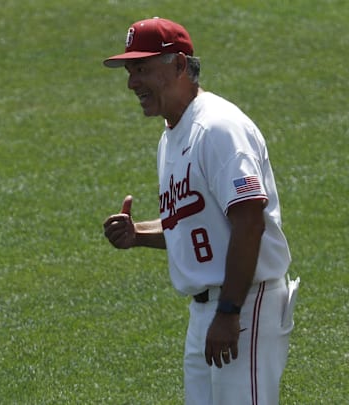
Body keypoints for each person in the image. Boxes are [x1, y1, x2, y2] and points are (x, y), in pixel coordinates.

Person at [101, 17, 298, 404]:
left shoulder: (217, 128)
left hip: (245, 304)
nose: (131, 83)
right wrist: (138, 234)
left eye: (141, 68)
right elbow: (196, 224)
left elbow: (249, 222)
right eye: (129, 71)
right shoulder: (173, 134)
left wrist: (229, 312)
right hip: (207, 312)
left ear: (177, 65)